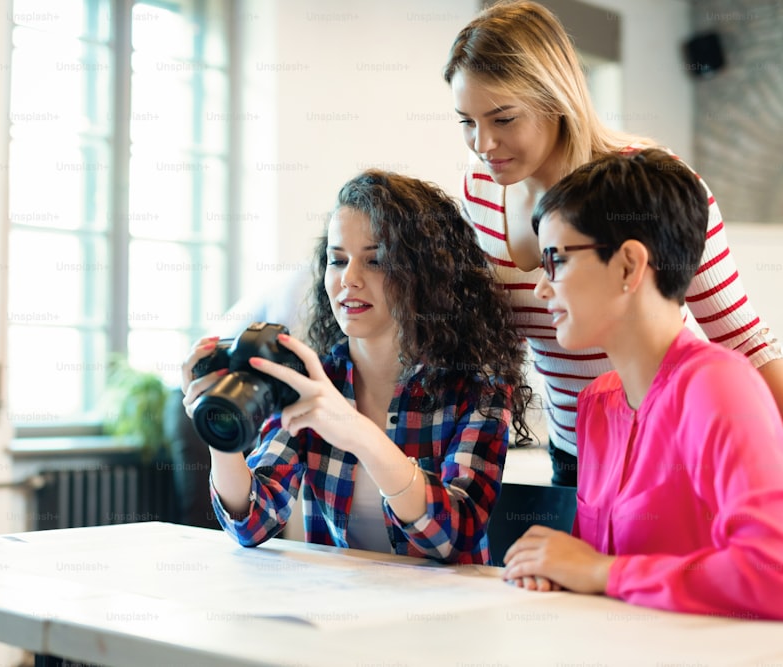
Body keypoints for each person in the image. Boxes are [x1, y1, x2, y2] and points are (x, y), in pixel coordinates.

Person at [444, 0, 783, 486]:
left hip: (665, 450)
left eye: (503, 119)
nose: (483, 144)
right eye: (466, 121)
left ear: (553, 99)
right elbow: (493, 345)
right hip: (574, 452)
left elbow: (743, 338)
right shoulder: (480, 190)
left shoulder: (648, 183)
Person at [181, 169, 532, 564]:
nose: (349, 279)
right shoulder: (313, 379)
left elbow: (455, 536)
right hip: (341, 611)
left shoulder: (477, 387)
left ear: (426, 274)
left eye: (376, 261)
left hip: (443, 617)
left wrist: (360, 435)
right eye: (337, 260)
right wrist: (218, 428)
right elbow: (252, 524)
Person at [500, 148, 783, 619]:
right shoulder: (596, 403)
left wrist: (598, 573)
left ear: (629, 265)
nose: (541, 288)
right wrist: (559, 570)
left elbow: (773, 572)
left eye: (557, 260)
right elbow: (602, 567)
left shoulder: (717, 386)